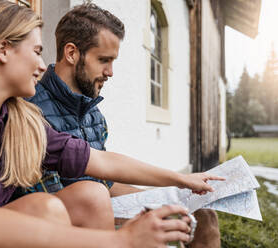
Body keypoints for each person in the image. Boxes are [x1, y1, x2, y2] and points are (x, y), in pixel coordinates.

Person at [0, 1, 222, 247]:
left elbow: (101, 161)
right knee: (47, 207)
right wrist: (118, 241)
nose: (43, 65)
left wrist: (180, 180)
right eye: (36, 52)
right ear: (3, 50)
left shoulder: (17, 123)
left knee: (84, 195)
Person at [27, 3, 223, 246]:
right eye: (103, 60)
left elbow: (105, 182)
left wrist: (171, 200)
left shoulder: (93, 114)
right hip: (62, 220)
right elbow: (54, 202)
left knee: (201, 215)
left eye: (113, 61)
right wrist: (134, 223)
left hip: (97, 204)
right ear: (71, 53)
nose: (110, 72)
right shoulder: (31, 109)